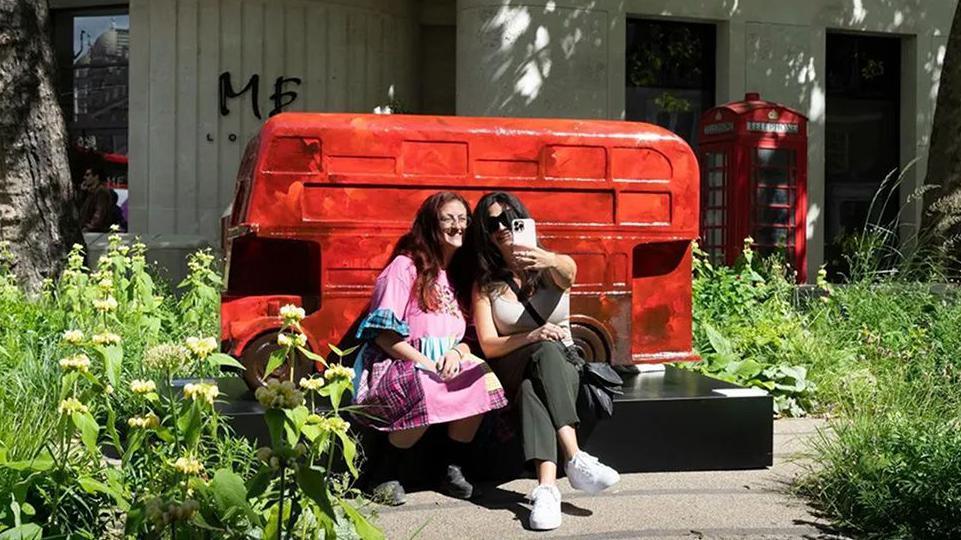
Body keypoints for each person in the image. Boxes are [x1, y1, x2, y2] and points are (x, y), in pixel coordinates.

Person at [468, 191, 619, 531]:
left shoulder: (549, 267)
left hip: (562, 364)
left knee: (534, 382)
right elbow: (490, 346)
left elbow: (570, 272)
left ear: (522, 219)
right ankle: (575, 457)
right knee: (540, 353)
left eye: (509, 218)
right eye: (493, 223)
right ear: (485, 233)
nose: (502, 227)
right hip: (512, 360)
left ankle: (547, 488)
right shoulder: (485, 283)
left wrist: (546, 258)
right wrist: (531, 336)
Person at [352, 191, 507, 506]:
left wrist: (456, 353)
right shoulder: (404, 268)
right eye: (448, 219)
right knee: (425, 383)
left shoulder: (459, 277)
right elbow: (383, 336)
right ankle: (384, 472)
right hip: (400, 359)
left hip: (446, 362)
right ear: (430, 224)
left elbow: (469, 337)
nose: (457, 226)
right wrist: (426, 362)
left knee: (480, 377)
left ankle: (452, 468)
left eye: (462, 219)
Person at [78, 166, 114, 232]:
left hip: (95, 232)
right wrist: (83, 192)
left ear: (96, 177)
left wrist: (89, 227)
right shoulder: (90, 192)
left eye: (88, 175)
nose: (85, 178)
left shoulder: (101, 191)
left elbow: (99, 212)